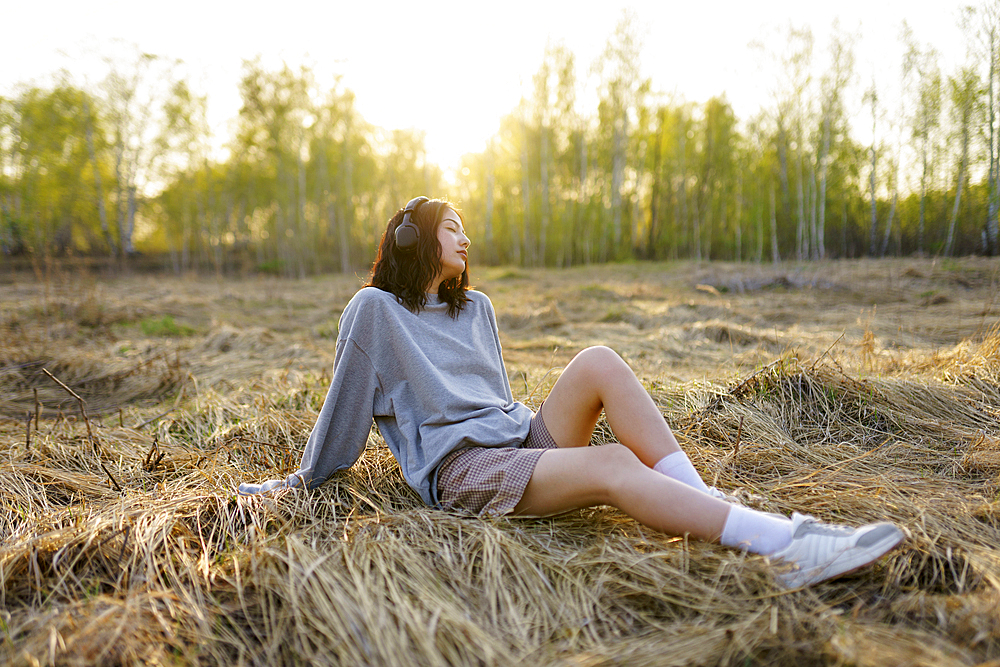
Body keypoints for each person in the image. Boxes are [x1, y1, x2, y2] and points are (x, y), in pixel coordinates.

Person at [239, 196, 905, 589]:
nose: (466, 236)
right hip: (465, 469)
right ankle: (788, 544)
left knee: (598, 359)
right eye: (452, 227)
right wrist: (299, 480)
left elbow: (499, 403)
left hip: (517, 443)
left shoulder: (478, 310)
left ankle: (708, 504)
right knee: (616, 463)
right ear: (413, 239)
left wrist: (537, 440)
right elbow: (345, 411)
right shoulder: (374, 312)